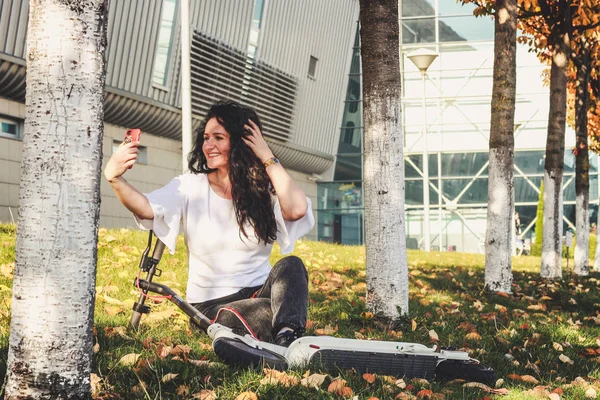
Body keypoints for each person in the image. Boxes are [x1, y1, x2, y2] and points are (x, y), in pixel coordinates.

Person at [103, 100, 314, 346]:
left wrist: (267, 156)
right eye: (206, 138)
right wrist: (114, 178)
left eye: (218, 138)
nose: (208, 145)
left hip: (259, 292)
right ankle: (282, 328)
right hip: (212, 306)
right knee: (232, 318)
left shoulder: (263, 189)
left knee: (292, 267)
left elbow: (297, 209)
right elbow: (147, 208)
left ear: (240, 142)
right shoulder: (191, 186)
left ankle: (285, 336)